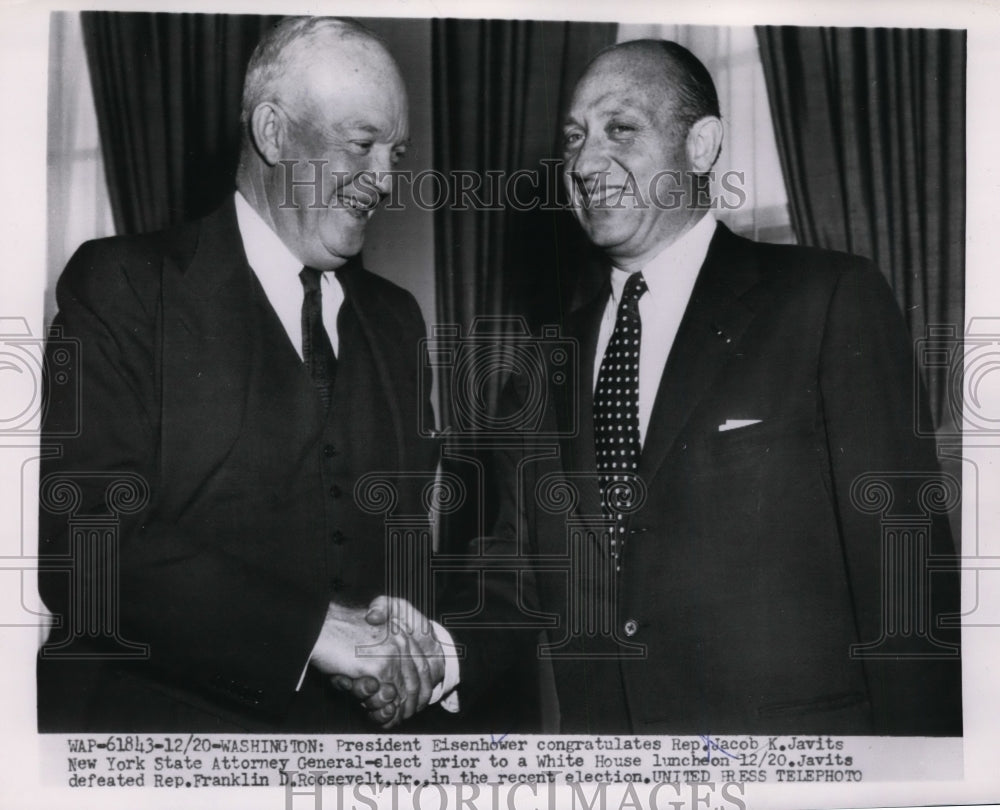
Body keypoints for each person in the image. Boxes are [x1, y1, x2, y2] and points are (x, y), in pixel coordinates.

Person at [428, 39, 962, 735]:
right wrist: (432, 655)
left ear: (702, 144)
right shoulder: (537, 366)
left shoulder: (826, 301)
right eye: (574, 140)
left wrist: (923, 777)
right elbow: (517, 572)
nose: (586, 164)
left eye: (621, 128)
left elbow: (906, 580)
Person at [37, 16, 454, 732]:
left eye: (398, 152)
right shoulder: (124, 286)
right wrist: (309, 632)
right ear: (272, 131)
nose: (386, 180)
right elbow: (83, 550)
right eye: (362, 145)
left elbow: (402, 548)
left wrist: (409, 666)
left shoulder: (398, 320)